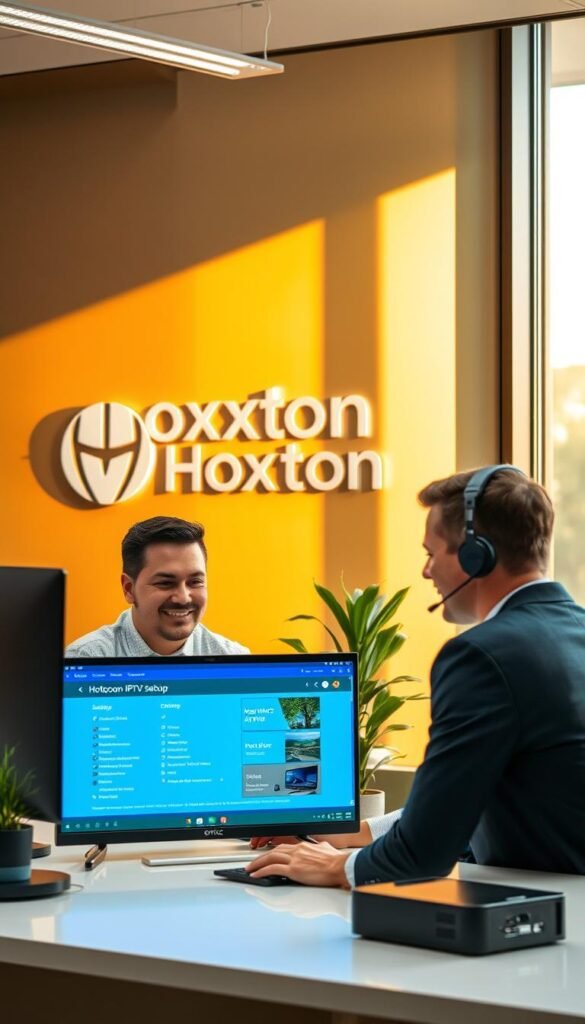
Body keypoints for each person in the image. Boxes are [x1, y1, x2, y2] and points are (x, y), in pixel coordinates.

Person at [248, 465, 585, 887]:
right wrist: (358, 833)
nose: (427, 572)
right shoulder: (572, 635)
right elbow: (465, 798)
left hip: (553, 924)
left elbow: (423, 855)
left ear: (473, 554)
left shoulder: (482, 655)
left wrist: (335, 867)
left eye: (431, 553)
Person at [66, 516, 248, 657]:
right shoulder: (87, 658)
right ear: (129, 589)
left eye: (195, 582)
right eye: (165, 583)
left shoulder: (234, 659)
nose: (183, 597)